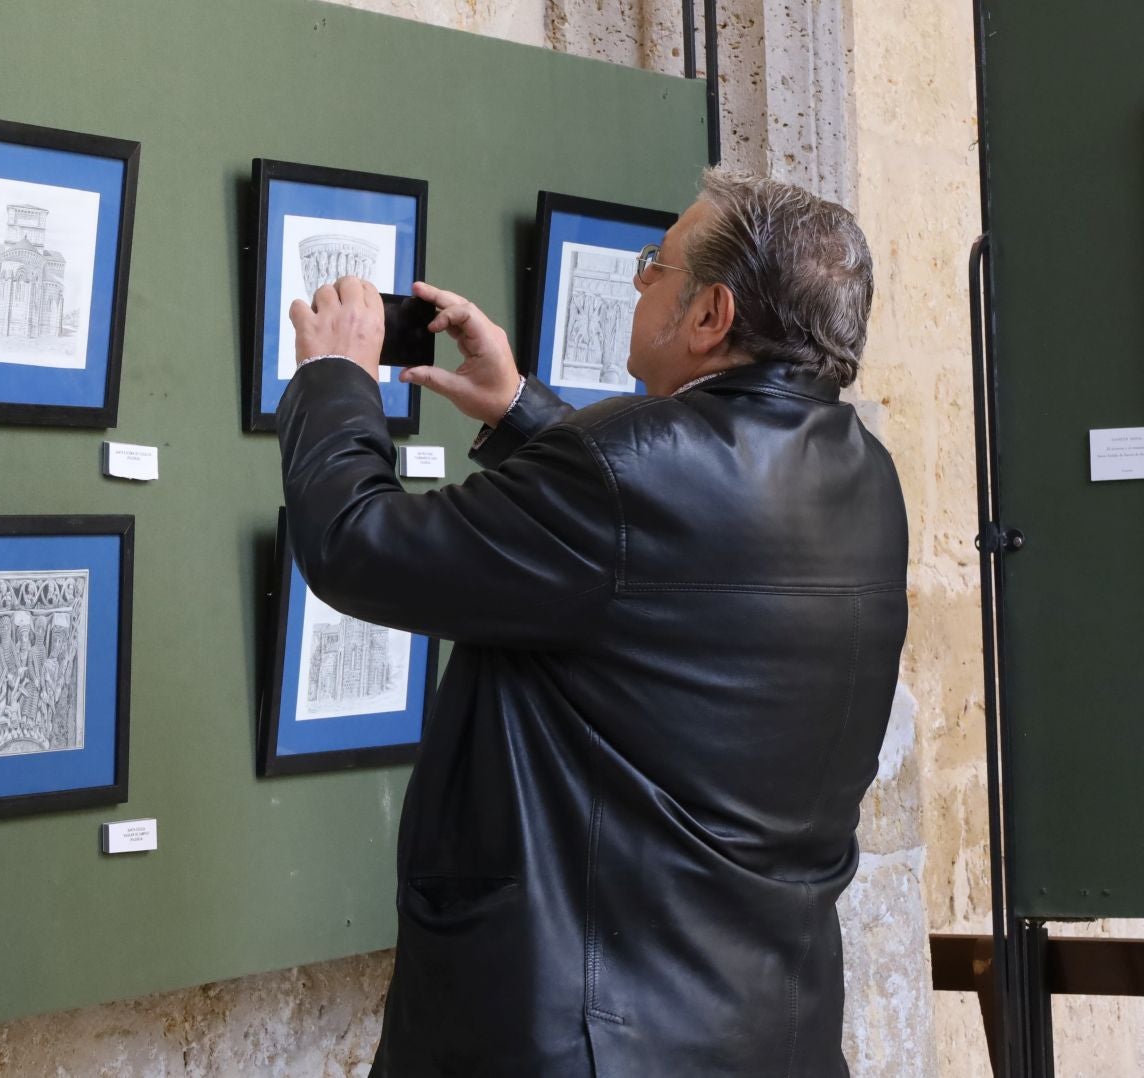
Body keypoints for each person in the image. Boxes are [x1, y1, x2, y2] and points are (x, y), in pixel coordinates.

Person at [278, 169, 906, 1077]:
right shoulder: (863, 477)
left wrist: (335, 376)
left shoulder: (630, 469)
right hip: (766, 1031)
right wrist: (522, 410)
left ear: (710, 316)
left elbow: (356, 544)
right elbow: (666, 550)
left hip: (590, 1034)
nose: (641, 277)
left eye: (659, 263)